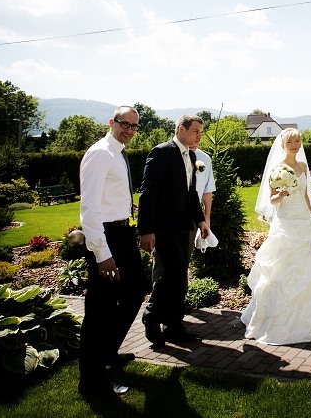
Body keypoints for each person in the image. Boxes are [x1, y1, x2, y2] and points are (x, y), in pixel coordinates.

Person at [241, 128, 311, 345]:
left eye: (297, 140)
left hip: (303, 220)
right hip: (286, 222)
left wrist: (310, 215)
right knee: (281, 269)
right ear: (283, 144)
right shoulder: (277, 169)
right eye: (290, 141)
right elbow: (273, 201)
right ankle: (278, 320)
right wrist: (282, 193)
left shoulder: (303, 166)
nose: (294, 144)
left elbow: (305, 193)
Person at [77, 105, 145, 397]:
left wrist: (125, 206)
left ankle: (107, 352)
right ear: (111, 122)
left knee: (137, 288)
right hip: (105, 238)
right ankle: (91, 382)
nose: (128, 130)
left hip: (122, 231)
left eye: (133, 126)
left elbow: (109, 195)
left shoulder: (118, 152)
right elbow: (89, 210)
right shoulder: (100, 153)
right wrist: (102, 254)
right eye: (123, 124)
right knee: (100, 310)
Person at [138, 114, 209, 347]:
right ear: (181, 128)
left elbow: (190, 195)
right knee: (174, 271)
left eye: (201, 131)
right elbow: (147, 193)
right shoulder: (161, 152)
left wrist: (201, 221)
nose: (199, 135)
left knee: (180, 275)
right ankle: (151, 314)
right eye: (196, 131)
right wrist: (146, 230)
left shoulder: (190, 155)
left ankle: (173, 325)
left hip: (184, 226)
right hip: (163, 227)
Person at [151, 142, 215, 285]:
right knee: (162, 263)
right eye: (194, 132)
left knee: (183, 261)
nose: (197, 138)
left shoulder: (204, 158)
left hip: (192, 217)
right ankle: (157, 302)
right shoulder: (166, 154)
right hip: (168, 218)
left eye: (200, 133)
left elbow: (207, 191)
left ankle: (179, 299)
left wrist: (206, 219)